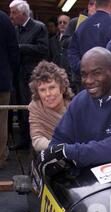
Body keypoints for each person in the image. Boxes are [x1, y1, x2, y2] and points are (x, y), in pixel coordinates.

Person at [37, 47, 111, 169]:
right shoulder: (79, 101)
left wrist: (69, 152)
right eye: (84, 75)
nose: (88, 81)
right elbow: (58, 142)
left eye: (96, 73)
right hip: (86, 182)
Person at [9, 0, 49, 150]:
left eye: (14, 12)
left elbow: (43, 49)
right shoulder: (15, 29)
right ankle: (24, 140)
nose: (11, 16)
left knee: (32, 109)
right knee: (20, 108)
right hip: (18, 75)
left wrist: (20, 47)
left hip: (32, 76)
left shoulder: (39, 27)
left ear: (23, 13)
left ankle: (35, 140)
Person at [68, 0, 111, 77]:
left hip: (88, 80)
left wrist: (82, 69)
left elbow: (72, 51)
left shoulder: (82, 25)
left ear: (95, 5)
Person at [28, 61, 73, 152]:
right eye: (42, 90)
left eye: (52, 87)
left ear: (62, 88)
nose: (48, 94)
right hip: (51, 156)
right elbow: (37, 140)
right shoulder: (36, 108)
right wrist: (62, 148)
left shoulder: (75, 106)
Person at [0, 10, 19, 169]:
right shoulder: (4, 19)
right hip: (2, 80)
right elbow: (14, 51)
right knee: (1, 121)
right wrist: (11, 73)